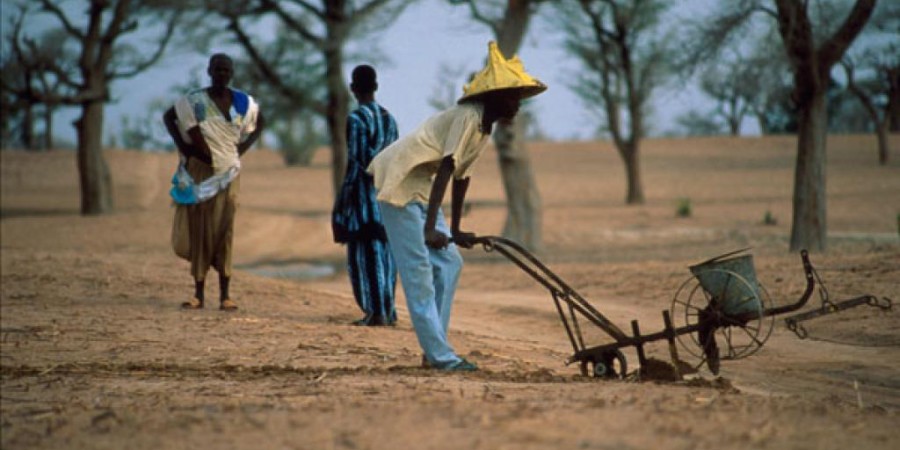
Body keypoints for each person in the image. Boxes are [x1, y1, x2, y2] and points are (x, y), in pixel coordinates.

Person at [367, 42, 546, 371]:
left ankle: (435, 349)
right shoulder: (468, 116)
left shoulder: (484, 126)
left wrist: (457, 229)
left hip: (421, 186)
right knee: (419, 272)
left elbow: (463, 177)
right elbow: (448, 167)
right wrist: (429, 227)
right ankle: (442, 358)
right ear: (494, 96)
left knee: (450, 263)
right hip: (399, 181)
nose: (517, 105)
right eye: (512, 97)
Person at [162, 53, 264, 311]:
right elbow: (168, 117)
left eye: (226, 70)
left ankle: (225, 295)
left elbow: (260, 122)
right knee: (200, 227)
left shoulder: (242, 102)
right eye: (217, 69)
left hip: (229, 172)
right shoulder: (195, 100)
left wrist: (242, 149)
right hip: (200, 170)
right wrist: (185, 148)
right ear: (209, 71)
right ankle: (198, 294)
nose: (222, 74)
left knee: (225, 229)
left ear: (232, 73)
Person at [332, 65, 399, 326]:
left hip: (364, 201)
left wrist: (342, 204)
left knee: (365, 257)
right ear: (376, 86)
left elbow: (359, 163)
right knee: (385, 256)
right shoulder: (390, 119)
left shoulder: (357, 119)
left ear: (353, 88)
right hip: (388, 197)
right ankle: (388, 311)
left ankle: (376, 313)